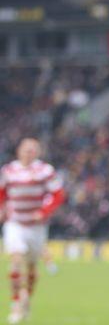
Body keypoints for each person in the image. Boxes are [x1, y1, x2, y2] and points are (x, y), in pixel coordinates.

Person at [0, 138, 65, 324]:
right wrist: (2, 208)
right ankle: (16, 303)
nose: (29, 153)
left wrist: (43, 211)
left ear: (37, 152)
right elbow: (2, 192)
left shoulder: (45, 171)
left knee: (31, 267)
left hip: (36, 226)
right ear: (19, 151)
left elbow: (58, 194)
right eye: (26, 150)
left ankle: (26, 299)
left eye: (32, 150)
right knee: (15, 259)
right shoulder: (8, 171)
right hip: (16, 223)